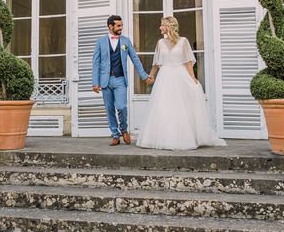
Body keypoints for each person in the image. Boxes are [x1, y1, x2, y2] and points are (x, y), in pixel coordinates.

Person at [136, 16, 226, 151]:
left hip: (180, 76)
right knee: (163, 107)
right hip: (164, 77)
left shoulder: (184, 41)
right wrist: (151, 76)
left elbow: (188, 62)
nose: (160, 27)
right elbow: (156, 62)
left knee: (182, 107)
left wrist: (193, 78)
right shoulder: (160, 43)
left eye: (162, 25)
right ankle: (164, 138)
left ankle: (185, 137)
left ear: (170, 26)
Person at [92, 15, 152, 146]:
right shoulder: (100, 42)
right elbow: (95, 63)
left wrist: (144, 76)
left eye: (121, 25)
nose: (121, 28)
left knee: (121, 106)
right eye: (118, 26)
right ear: (110, 26)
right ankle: (115, 134)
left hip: (120, 79)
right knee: (109, 109)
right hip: (105, 81)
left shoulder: (125, 41)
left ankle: (124, 130)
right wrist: (95, 82)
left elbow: (135, 59)